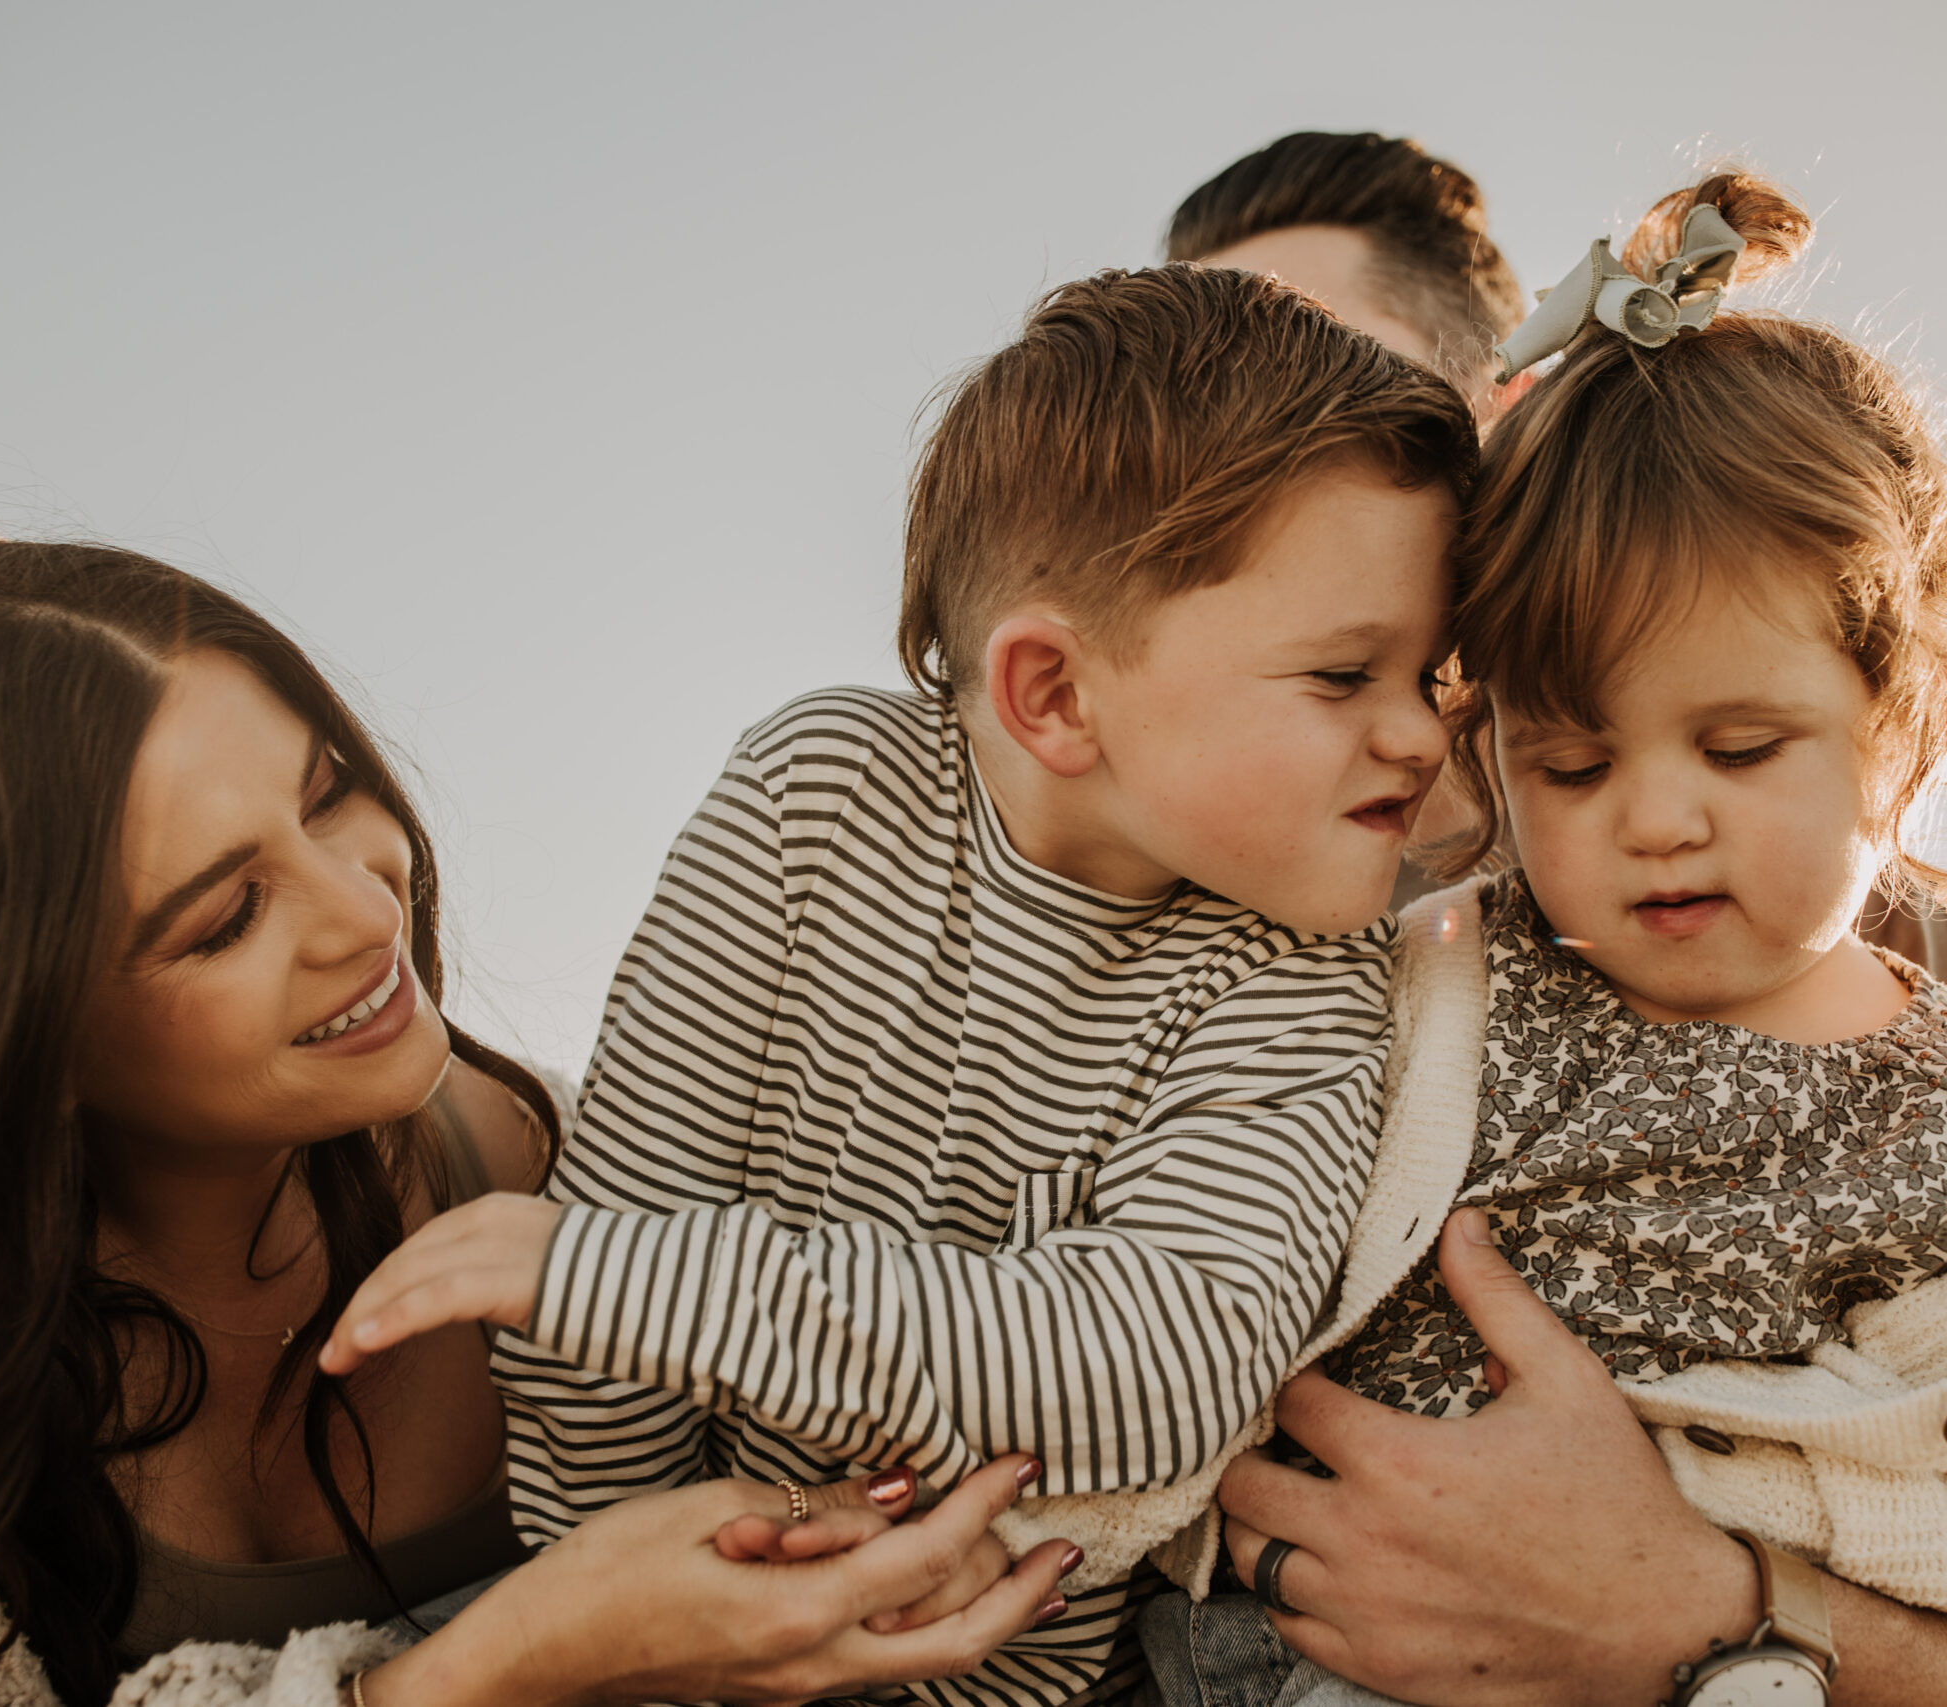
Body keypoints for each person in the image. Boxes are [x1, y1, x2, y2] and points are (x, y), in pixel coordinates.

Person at [321, 265, 1479, 1707]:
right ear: (1053, 694)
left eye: (1431, 673)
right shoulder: (819, 797)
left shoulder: (1311, 970)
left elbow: (1168, 1367)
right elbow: (616, 1256)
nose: (1420, 736)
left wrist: (620, 1286)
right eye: (1344, 676)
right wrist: (643, 1612)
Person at [1168, 135, 1947, 1706]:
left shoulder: (1859, 955)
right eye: (1201, 426)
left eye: (1331, 403)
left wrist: (1713, 1608)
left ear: (1500, 431)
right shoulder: (1163, 907)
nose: (1258, 468)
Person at [0, 529, 1073, 1705]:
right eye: (225, 917)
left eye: (328, 791)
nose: (367, 910)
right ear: (5, 1039)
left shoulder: (596, 1166)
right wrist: (498, 1672)